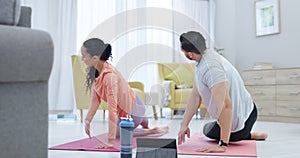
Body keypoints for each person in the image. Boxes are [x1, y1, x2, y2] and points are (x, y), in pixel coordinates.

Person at [177, 31, 268, 153]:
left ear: (190, 54)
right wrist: (184, 124)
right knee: (210, 128)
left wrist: (222, 144)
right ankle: (246, 134)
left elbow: (225, 105)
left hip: (244, 119)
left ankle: (243, 134)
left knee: (207, 131)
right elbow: (195, 95)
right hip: (246, 112)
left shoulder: (212, 68)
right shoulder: (204, 60)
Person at [81, 38, 169, 149]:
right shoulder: (97, 73)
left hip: (133, 109)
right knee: (121, 125)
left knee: (120, 133)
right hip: (133, 103)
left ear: (94, 58)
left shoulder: (109, 76)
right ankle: (143, 120)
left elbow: (112, 109)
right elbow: (95, 100)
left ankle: (150, 130)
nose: (82, 59)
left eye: (84, 56)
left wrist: (110, 141)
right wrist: (88, 120)